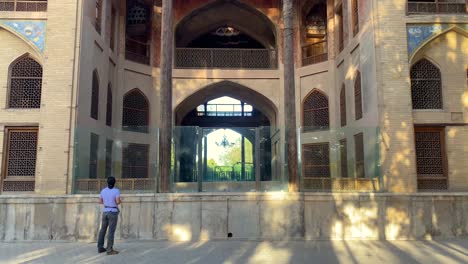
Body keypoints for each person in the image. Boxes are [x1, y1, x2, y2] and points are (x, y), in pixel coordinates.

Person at [97, 177, 121, 255]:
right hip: (113, 212)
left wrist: (107, 202)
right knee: (111, 231)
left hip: (105, 211)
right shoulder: (116, 191)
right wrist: (120, 201)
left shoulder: (103, 191)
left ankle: (100, 247)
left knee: (102, 230)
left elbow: (100, 201)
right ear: (114, 183)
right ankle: (109, 250)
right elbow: (117, 202)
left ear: (107, 182)